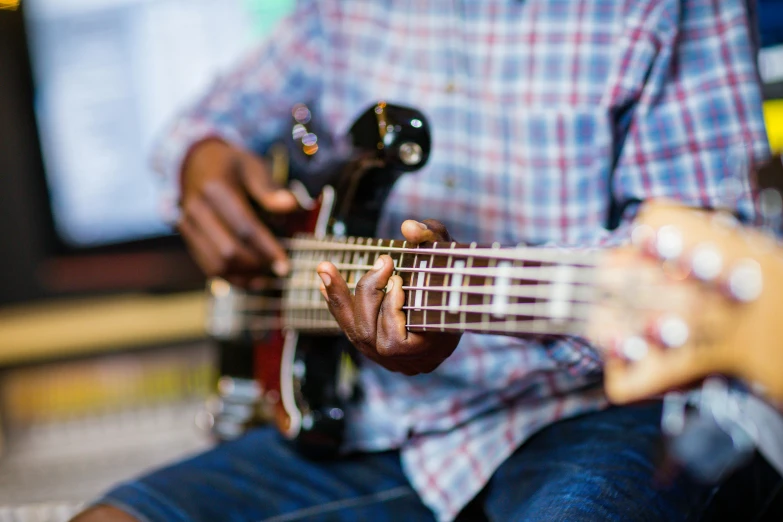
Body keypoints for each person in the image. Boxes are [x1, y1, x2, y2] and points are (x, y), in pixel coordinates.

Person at [74, 0, 781, 521]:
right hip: (382, 424)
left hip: (599, 414)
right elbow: (200, 125)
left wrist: (453, 305)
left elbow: (710, 238)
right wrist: (203, 161)